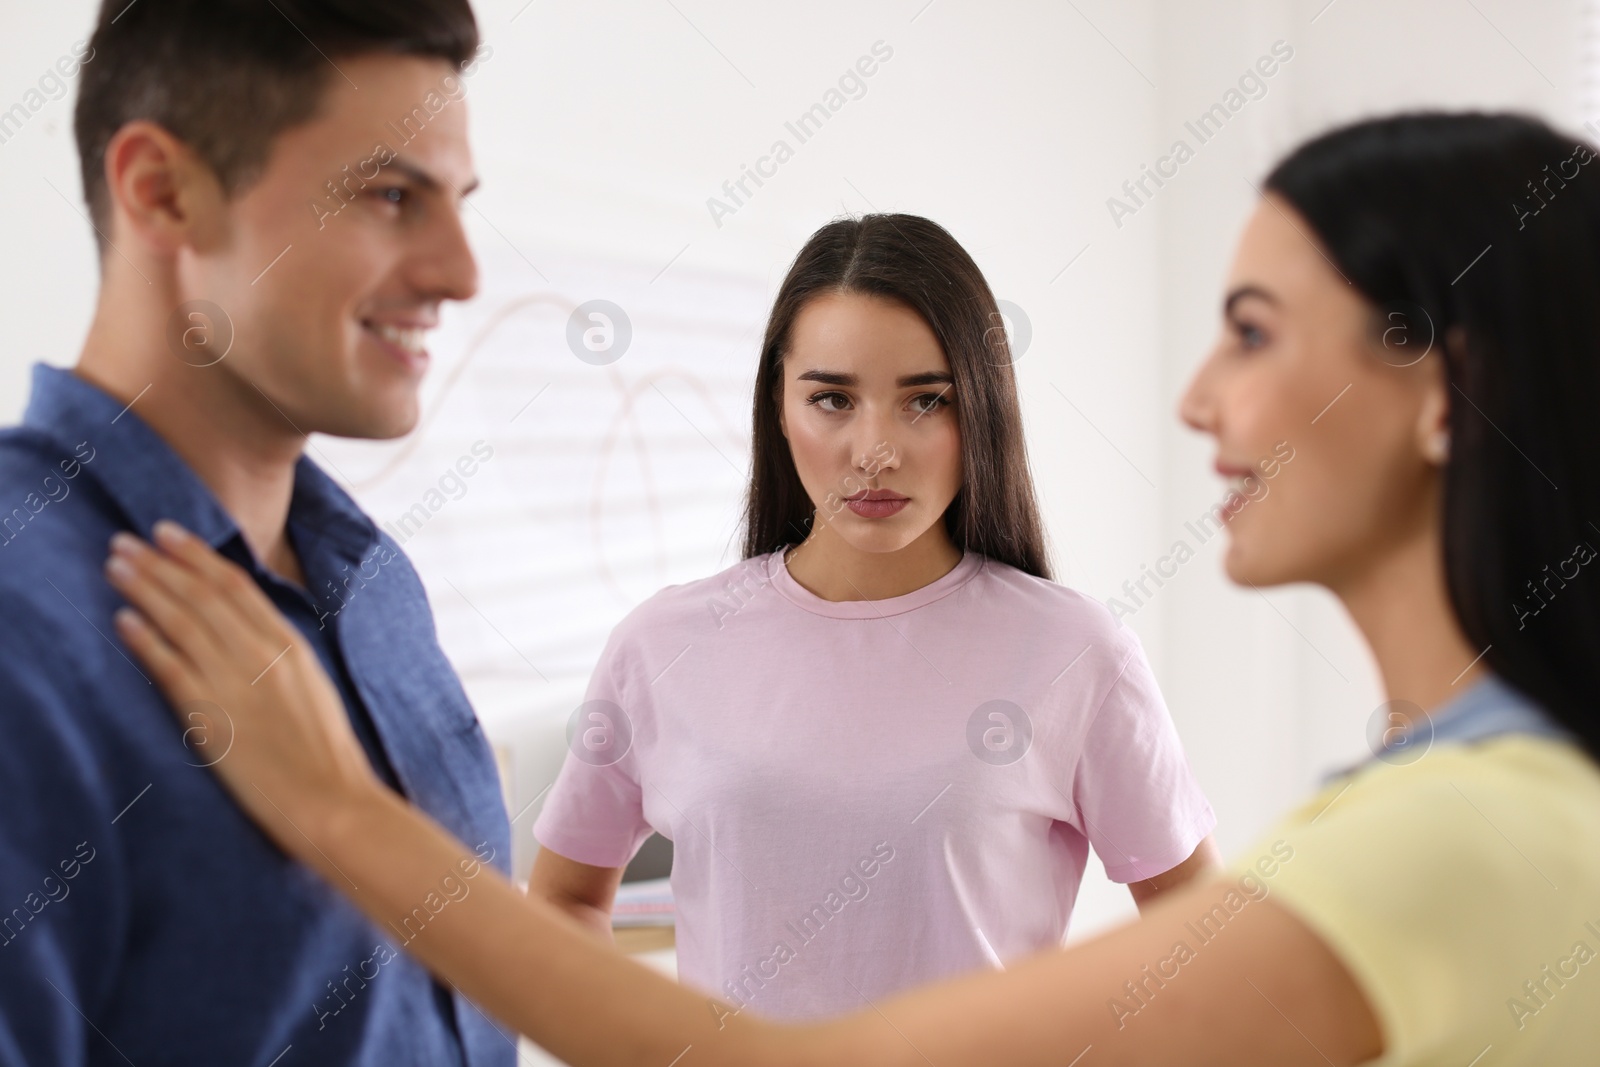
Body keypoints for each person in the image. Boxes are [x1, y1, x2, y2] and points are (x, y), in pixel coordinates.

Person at [104, 111, 1600, 1064]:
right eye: (830, 397)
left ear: (1440, 384)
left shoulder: (1449, 833)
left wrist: (336, 808)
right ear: (780, 406)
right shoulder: (1473, 804)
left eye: (1257, 331)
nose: (1199, 397)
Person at [527, 213, 1219, 1020]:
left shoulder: (1077, 652)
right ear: (778, 408)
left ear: (982, 412)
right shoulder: (659, 648)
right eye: (831, 398)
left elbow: (1201, 940)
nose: (875, 450)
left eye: (925, 401)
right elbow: (562, 901)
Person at [0, 1, 514, 1064]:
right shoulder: (19, 624)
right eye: (390, 195)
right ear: (163, 191)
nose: (463, 273)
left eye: (457, 203)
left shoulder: (375, 585)